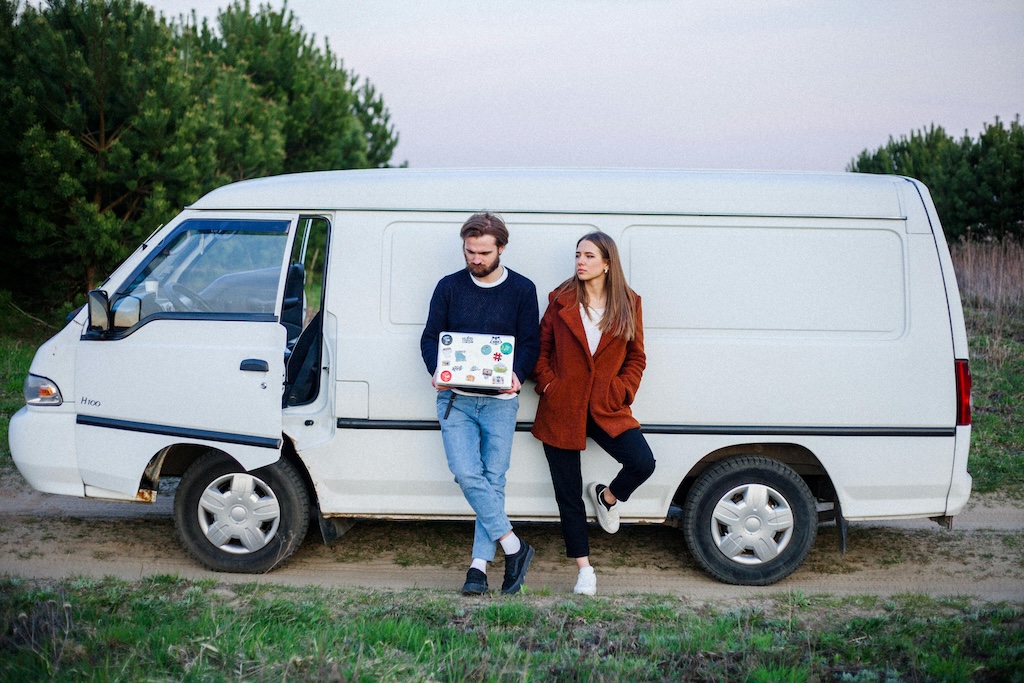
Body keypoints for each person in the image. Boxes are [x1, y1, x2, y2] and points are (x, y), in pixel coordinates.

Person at [420, 212, 540, 595]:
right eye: (469, 251)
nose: (475, 258)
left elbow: (531, 343)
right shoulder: (449, 287)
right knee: (467, 474)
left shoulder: (522, 289)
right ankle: (514, 547)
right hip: (455, 400)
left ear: (501, 249)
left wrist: (518, 374)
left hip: (501, 403)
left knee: (492, 481)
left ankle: (478, 568)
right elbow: (429, 338)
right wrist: (435, 370)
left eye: (483, 252)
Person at [531, 231, 657, 596]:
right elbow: (540, 351)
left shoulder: (628, 303)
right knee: (567, 494)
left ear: (607, 263)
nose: (580, 262)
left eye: (588, 256)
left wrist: (622, 390)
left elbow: (637, 357)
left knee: (642, 463)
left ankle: (607, 498)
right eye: (577, 255)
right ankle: (584, 570)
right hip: (562, 405)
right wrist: (550, 385)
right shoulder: (560, 300)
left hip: (606, 406)